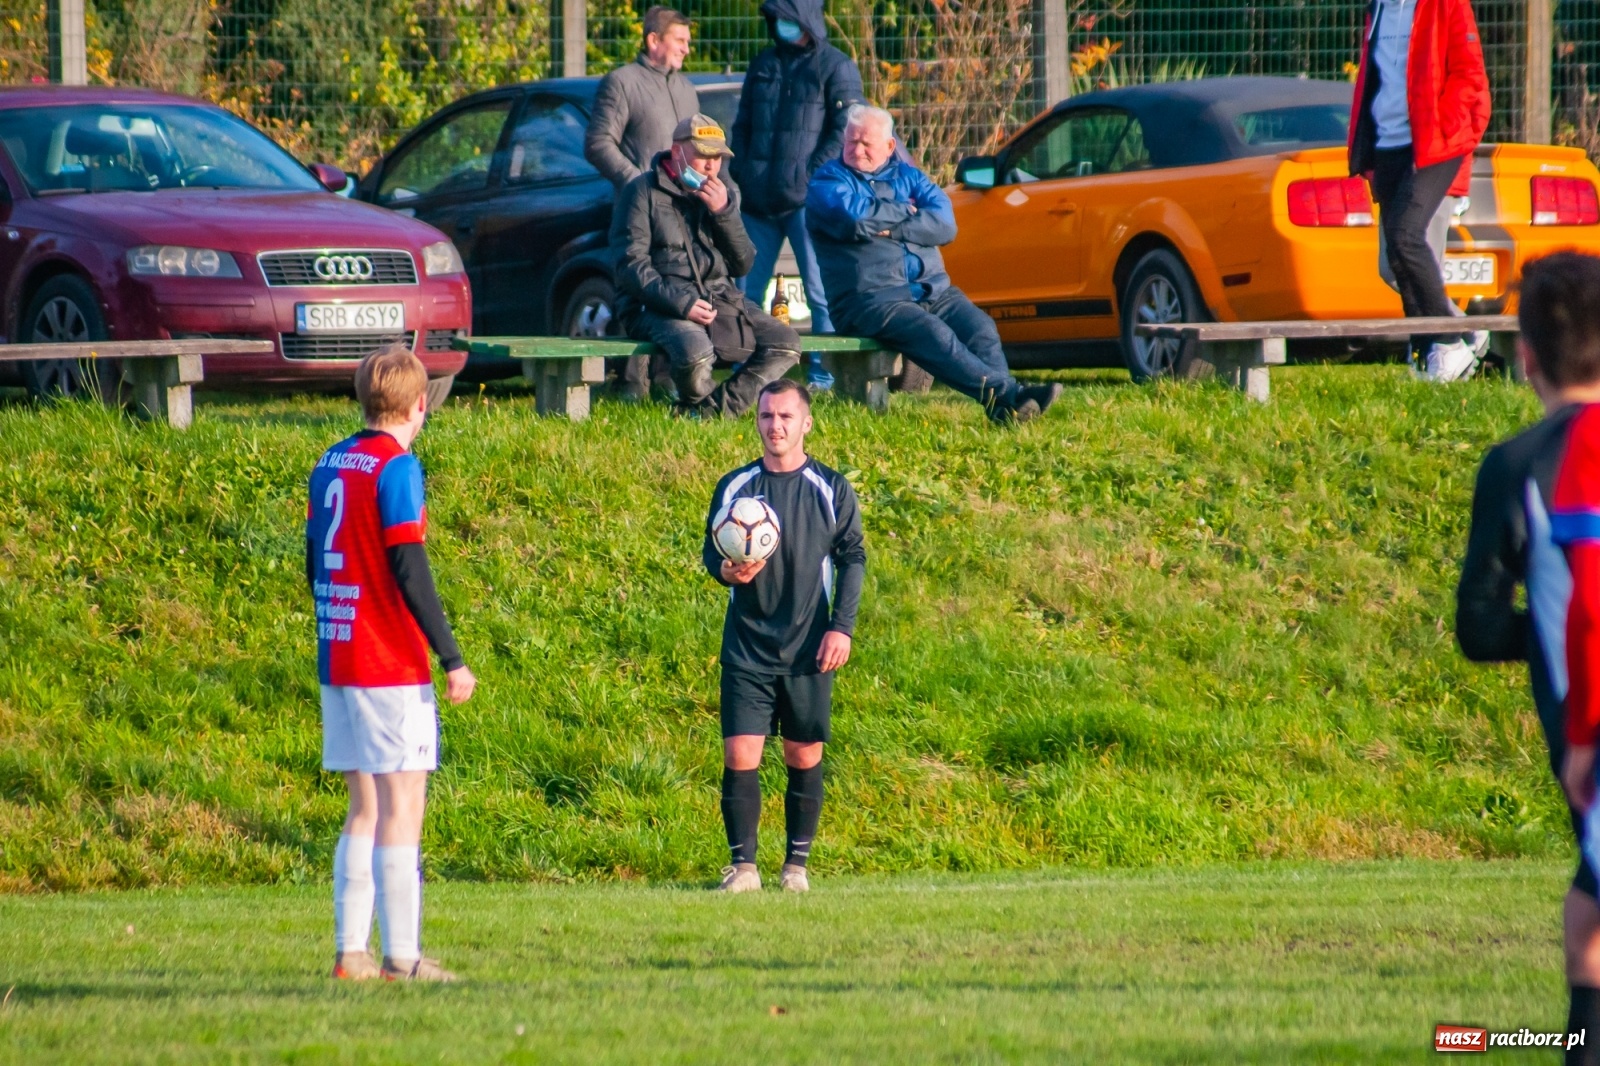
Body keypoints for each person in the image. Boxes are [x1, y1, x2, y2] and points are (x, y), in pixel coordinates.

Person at [1456, 252, 1600, 1065]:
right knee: (1589, 916)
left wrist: (1551, 649)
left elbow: (1480, 628)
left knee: (1591, 924)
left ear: (1527, 357)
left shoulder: (1521, 465)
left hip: (1591, 726)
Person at [307, 343, 476, 983]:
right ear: (418, 405)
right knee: (403, 805)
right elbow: (410, 565)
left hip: (340, 654)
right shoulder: (396, 467)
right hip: (387, 661)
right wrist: (451, 657)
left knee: (364, 807)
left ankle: (350, 953)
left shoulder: (330, 460)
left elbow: (313, 560)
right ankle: (403, 958)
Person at [703, 379, 866, 893]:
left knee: (803, 755)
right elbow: (711, 552)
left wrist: (841, 628)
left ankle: (795, 867)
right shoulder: (736, 487)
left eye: (786, 417)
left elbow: (853, 558)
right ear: (757, 421)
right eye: (767, 416)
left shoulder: (830, 488)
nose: (775, 426)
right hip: (747, 644)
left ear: (806, 423)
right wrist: (726, 572)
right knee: (739, 754)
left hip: (809, 646)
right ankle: (744, 868)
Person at [806, 105, 1062, 424]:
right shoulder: (827, 181)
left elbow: (945, 226)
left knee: (981, 328)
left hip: (934, 290)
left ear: (889, 146)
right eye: (851, 141)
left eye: (866, 143)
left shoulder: (910, 176)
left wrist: (892, 226)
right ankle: (1010, 396)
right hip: (872, 300)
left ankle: (1005, 408)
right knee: (935, 334)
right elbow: (855, 218)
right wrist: (908, 210)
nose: (857, 150)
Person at [612, 115, 800, 419]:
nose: (712, 166)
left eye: (718, 157)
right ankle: (706, 414)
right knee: (697, 354)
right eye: (703, 156)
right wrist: (683, 304)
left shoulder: (724, 194)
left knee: (786, 343)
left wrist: (724, 213)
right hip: (657, 305)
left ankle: (713, 413)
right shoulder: (641, 192)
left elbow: (742, 264)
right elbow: (630, 267)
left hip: (719, 297)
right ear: (677, 152)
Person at [1348, 0, 1490, 382]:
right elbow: (1375, 79)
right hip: (1388, 146)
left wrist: (1445, 124)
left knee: (1406, 235)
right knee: (1394, 259)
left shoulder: (1445, 5)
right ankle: (1428, 351)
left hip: (1435, 142)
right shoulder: (1378, 8)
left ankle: (1449, 342)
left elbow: (1470, 74)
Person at [729, 0, 864, 392]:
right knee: (745, 294)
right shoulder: (763, 64)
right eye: (777, 19)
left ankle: (824, 376)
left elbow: (844, 130)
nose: (780, 25)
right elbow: (742, 124)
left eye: (787, 18)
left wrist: (809, 177)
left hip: (808, 204)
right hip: (758, 203)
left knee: (821, 293)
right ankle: (745, 373)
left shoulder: (836, 66)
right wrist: (744, 172)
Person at [583, 5, 700, 401]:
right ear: (653, 40)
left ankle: (668, 381)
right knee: (638, 287)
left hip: (683, 212)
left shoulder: (686, 89)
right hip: (637, 213)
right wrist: (638, 182)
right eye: (679, 40)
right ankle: (630, 384)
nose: (687, 49)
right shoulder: (622, 82)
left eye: (687, 41)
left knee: (676, 285)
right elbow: (598, 142)